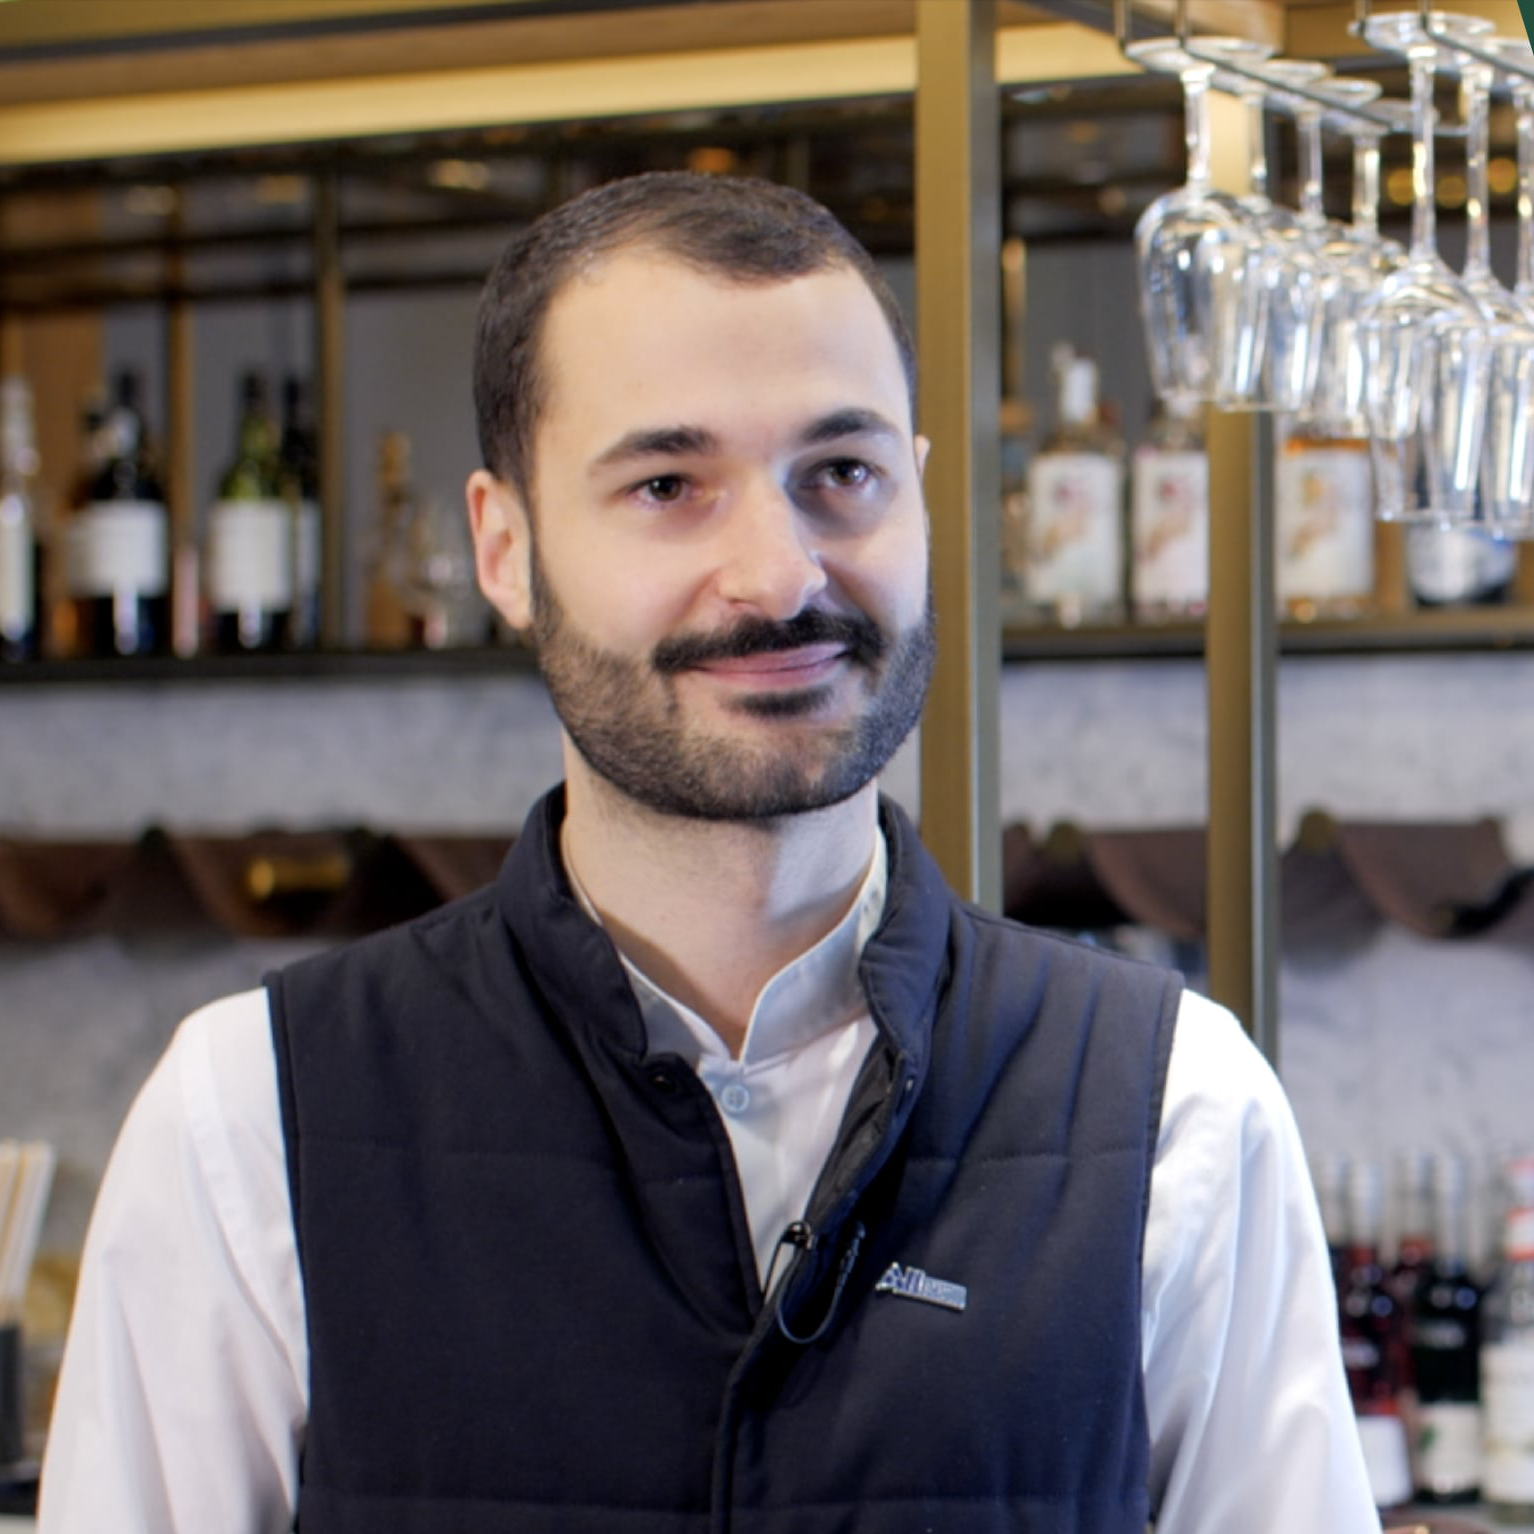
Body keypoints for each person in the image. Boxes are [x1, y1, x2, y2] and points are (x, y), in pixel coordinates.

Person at [39, 172, 1379, 1533]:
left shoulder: (1179, 1113)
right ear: (504, 547)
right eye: (668, 484)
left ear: (922, 502)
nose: (779, 574)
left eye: (840, 475)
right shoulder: (248, 1125)